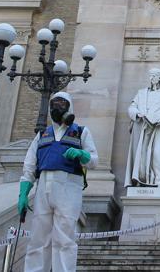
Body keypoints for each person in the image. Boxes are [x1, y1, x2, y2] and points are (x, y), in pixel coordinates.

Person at [18, 91, 98, 272]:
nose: (58, 107)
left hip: (69, 186)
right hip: (43, 188)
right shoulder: (42, 135)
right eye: (55, 103)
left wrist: (81, 154)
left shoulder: (80, 132)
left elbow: (94, 160)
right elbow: (29, 166)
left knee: (65, 238)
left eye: (62, 103)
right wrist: (23, 193)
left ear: (69, 106)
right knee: (38, 238)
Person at [125, 67, 160, 191]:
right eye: (150, 75)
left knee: (158, 153)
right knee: (141, 154)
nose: (152, 78)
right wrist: (138, 114)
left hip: (159, 128)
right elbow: (132, 108)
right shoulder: (141, 93)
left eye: (154, 75)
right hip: (142, 126)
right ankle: (140, 180)